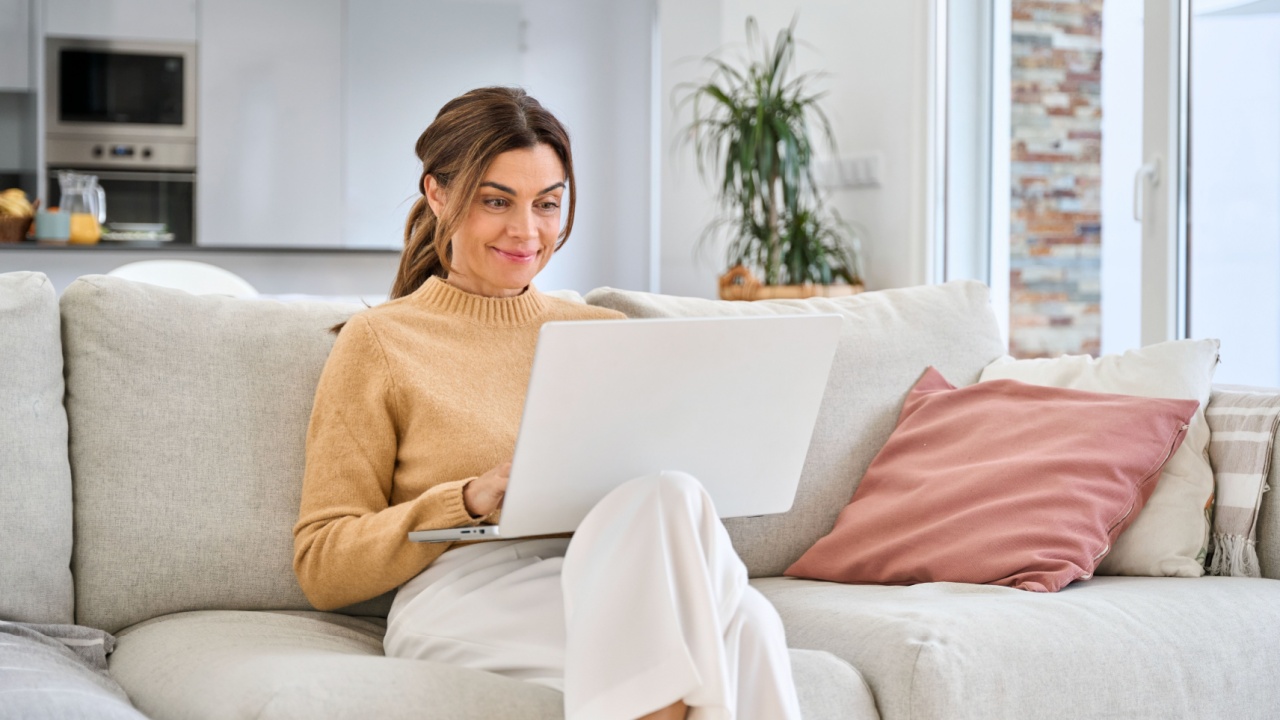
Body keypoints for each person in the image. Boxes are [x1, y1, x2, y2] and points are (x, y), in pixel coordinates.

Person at [292, 86, 801, 720]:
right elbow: (322, 564)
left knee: (703, 543)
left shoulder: (601, 331)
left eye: (547, 204)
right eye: (495, 201)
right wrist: (467, 498)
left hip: (607, 576)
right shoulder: (380, 342)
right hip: (467, 597)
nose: (526, 231)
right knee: (741, 623)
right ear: (438, 194)